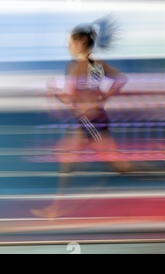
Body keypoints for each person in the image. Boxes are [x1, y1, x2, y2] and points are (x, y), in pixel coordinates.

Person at [32, 18, 132, 218]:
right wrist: (104, 97)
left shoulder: (74, 67)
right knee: (69, 161)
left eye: (71, 42)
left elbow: (72, 100)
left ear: (79, 43)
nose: (68, 46)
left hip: (90, 122)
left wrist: (54, 92)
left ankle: (161, 174)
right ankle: (55, 208)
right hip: (93, 119)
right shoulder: (95, 64)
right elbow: (117, 81)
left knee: (121, 165)